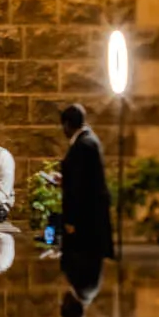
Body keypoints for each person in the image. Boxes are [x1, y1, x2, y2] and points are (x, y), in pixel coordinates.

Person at [56, 103, 114, 261]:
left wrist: (70, 220)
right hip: (91, 214)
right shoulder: (88, 140)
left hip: (86, 217)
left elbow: (79, 187)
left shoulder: (83, 145)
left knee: (86, 262)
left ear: (67, 124)